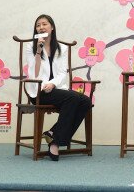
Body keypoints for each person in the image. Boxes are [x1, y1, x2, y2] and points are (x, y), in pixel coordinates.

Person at [26, 14, 92, 161]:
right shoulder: (31, 46)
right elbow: (33, 73)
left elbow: (63, 72)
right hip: (38, 91)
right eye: (38, 25)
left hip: (56, 88)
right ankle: (55, 143)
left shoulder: (61, 48)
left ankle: (53, 134)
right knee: (72, 98)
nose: (41, 27)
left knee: (85, 102)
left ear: (52, 27)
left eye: (44, 24)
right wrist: (38, 50)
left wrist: (53, 84)